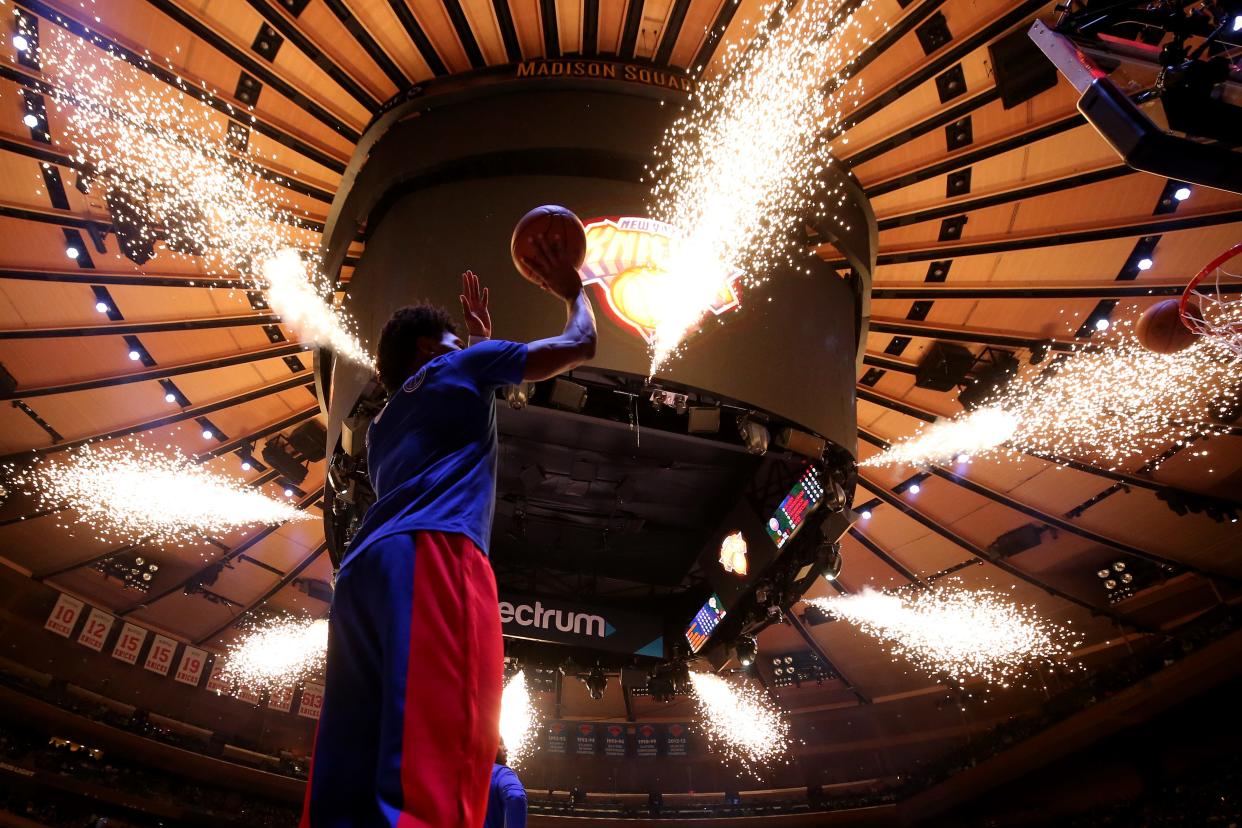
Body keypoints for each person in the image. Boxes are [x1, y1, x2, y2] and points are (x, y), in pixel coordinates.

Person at [300, 240, 596, 828]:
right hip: (433, 554)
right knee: (436, 778)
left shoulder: (382, 426)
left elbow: (456, 403)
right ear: (430, 348)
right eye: (456, 342)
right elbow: (578, 345)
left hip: (364, 570)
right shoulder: (458, 366)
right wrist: (573, 290)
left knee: (347, 783)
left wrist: (480, 344)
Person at [483, 742, 527, 828]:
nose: (506, 748)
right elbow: (516, 797)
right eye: (500, 743)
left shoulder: (464, 773)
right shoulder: (501, 773)